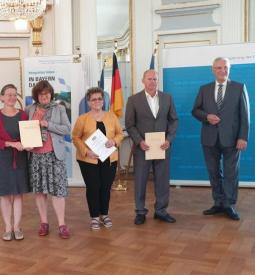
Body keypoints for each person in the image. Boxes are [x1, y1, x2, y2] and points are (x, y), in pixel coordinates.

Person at [192, 57, 250, 221]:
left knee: (231, 173)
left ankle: (229, 205)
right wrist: (206, 116)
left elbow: (245, 116)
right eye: (218, 68)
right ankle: (218, 202)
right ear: (213, 70)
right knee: (213, 172)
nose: (222, 70)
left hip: (232, 139)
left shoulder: (239, 87)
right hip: (209, 138)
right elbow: (195, 110)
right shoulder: (204, 89)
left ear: (229, 69)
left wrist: (243, 137)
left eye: (225, 67)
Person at [125, 70, 179, 225]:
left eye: (155, 79)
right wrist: (139, 141)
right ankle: (140, 212)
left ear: (157, 81)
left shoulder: (167, 98)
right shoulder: (133, 100)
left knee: (162, 180)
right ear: (143, 80)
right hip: (143, 148)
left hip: (163, 147)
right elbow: (130, 124)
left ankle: (161, 211)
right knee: (140, 180)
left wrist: (169, 139)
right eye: (149, 79)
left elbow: (174, 121)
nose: (152, 81)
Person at [72, 87, 124, 230]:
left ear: (103, 101)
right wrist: (86, 151)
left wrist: (114, 141)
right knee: (93, 187)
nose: (97, 101)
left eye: (99, 98)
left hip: (109, 159)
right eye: (93, 99)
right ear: (88, 102)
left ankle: (104, 214)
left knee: (106, 187)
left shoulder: (112, 116)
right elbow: (75, 137)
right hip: (88, 160)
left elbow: (120, 134)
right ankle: (94, 216)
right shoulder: (82, 119)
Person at [26, 80, 72, 239]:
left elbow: (67, 129)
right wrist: (26, 143)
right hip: (36, 156)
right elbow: (24, 129)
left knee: (58, 192)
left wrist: (48, 124)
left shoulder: (59, 109)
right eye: (40, 94)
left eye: (46, 93)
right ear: (36, 96)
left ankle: (62, 224)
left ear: (51, 94)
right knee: (39, 191)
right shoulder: (29, 109)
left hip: (54, 155)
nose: (44, 96)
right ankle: (44, 223)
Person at [0, 84, 30, 241]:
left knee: (18, 194)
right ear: (2, 97)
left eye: (14, 94)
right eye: (8, 94)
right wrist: (12, 144)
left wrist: (29, 144)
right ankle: (7, 227)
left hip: (19, 158)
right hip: (3, 158)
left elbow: (28, 136)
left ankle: (17, 227)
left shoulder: (24, 115)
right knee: (5, 195)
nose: (12, 97)